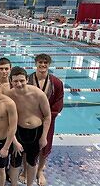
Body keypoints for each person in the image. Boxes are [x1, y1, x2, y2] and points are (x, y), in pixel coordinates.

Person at [18, 54, 63, 186]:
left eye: (45, 63)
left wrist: (47, 116)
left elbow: (58, 103)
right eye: (40, 62)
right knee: (27, 147)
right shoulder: (28, 79)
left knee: (44, 145)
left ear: (49, 64)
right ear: (36, 63)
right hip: (29, 120)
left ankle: (39, 172)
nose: (42, 65)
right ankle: (25, 171)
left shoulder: (56, 83)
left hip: (47, 121)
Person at [6, 67, 51, 186]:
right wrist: (14, 141)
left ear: (27, 79)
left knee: (32, 162)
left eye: (21, 80)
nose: (19, 84)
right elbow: (7, 120)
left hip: (36, 133)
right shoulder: (9, 95)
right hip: (18, 132)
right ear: (11, 81)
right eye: (15, 81)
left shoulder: (38, 94)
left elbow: (47, 116)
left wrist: (44, 137)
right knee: (15, 162)